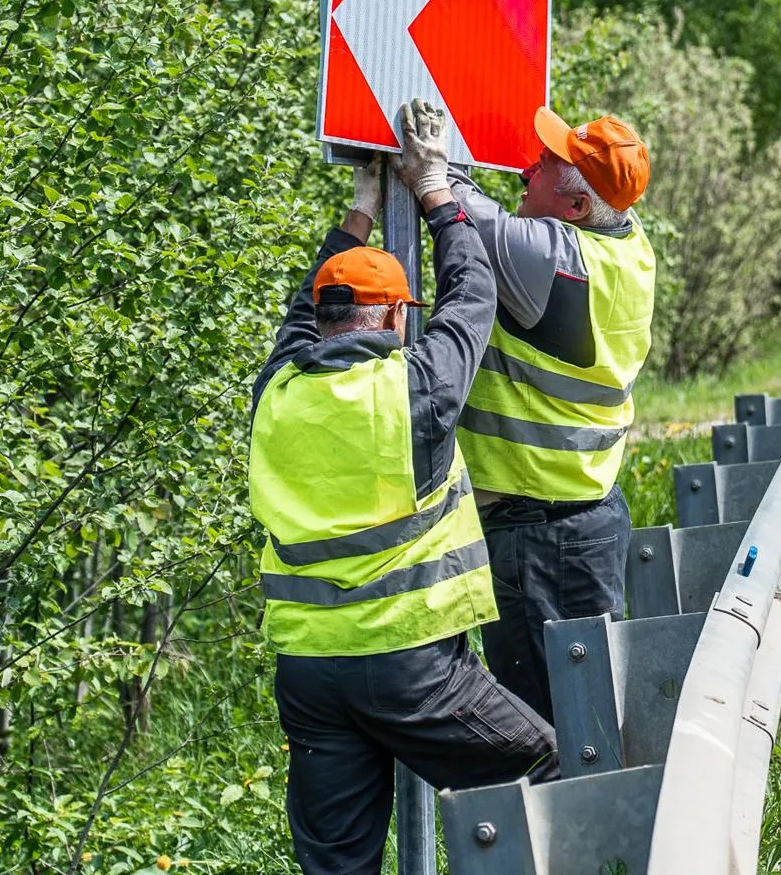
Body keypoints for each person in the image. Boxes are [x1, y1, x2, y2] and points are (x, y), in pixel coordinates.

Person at [248, 100, 558, 875]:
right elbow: (472, 297)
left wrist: (361, 208)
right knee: (543, 767)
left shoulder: (276, 390)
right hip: (410, 668)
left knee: (338, 866)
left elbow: (301, 309)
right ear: (389, 314)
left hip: (310, 675)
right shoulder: (413, 392)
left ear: (321, 317)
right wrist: (435, 191)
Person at [448, 107, 656, 722]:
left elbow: (448, 196)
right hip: (576, 523)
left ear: (574, 210)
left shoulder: (554, 259)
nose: (524, 170)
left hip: (543, 540)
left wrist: (437, 156)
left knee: (551, 732)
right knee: (578, 720)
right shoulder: (627, 244)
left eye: (542, 167)